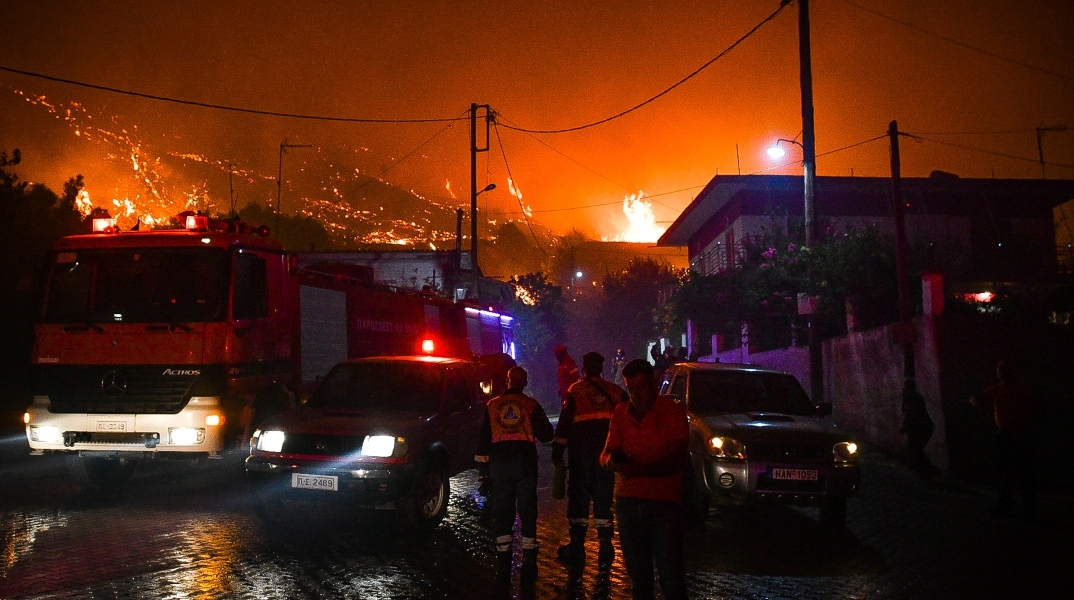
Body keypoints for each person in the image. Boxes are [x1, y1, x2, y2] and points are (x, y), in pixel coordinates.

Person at [600, 359, 690, 600]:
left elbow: (678, 460)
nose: (636, 395)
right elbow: (606, 453)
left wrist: (638, 470)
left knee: (671, 577)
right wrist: (613, 462)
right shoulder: (620, 413)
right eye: (631, 389)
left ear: (654, 384)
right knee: (639, 579)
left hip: (662, 503)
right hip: (627, 503)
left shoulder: (671, 412)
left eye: (641, 388)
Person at [475, 366, 555, 585]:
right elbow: (547, 435)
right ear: (525, 382)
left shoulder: (492, 406)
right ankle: (530, 563)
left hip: (500, 467)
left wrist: (484, 475)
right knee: (528, 512)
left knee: (502, 513)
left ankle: (503, 566)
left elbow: (482, 442)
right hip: (525, 465)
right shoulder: (531, 405)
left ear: (507, 381)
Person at [552, 351, 628, 569]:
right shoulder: (616, 392)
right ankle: (606, 547)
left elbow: (564, 425)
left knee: (579, 500)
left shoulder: (575, 391)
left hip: (580, 457)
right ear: (602, 367)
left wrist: (557, 453)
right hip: (607, 457)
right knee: (604, 499)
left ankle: (577, 547)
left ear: (584, 368)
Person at [970, 359, 1043, 519]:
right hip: (1007, 434)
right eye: (1000, 371)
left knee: (1021, 472)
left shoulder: (1021, 389)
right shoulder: (997, 390)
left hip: (1020, 434)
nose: (1001, 374)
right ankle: (1012, 506)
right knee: (1008, 472)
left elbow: (1036, 406)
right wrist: (982, 407)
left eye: (1003, 371)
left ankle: (1024, 508)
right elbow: (974, 399)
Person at [899, 378, 935, 478]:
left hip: (918, 427)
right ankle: (926, 470)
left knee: (914, 449)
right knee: (915, 449)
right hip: (923, 426)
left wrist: (903, 426)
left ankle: (927, 471)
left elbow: (908, 413)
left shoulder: (910, 397)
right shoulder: (917, 396)